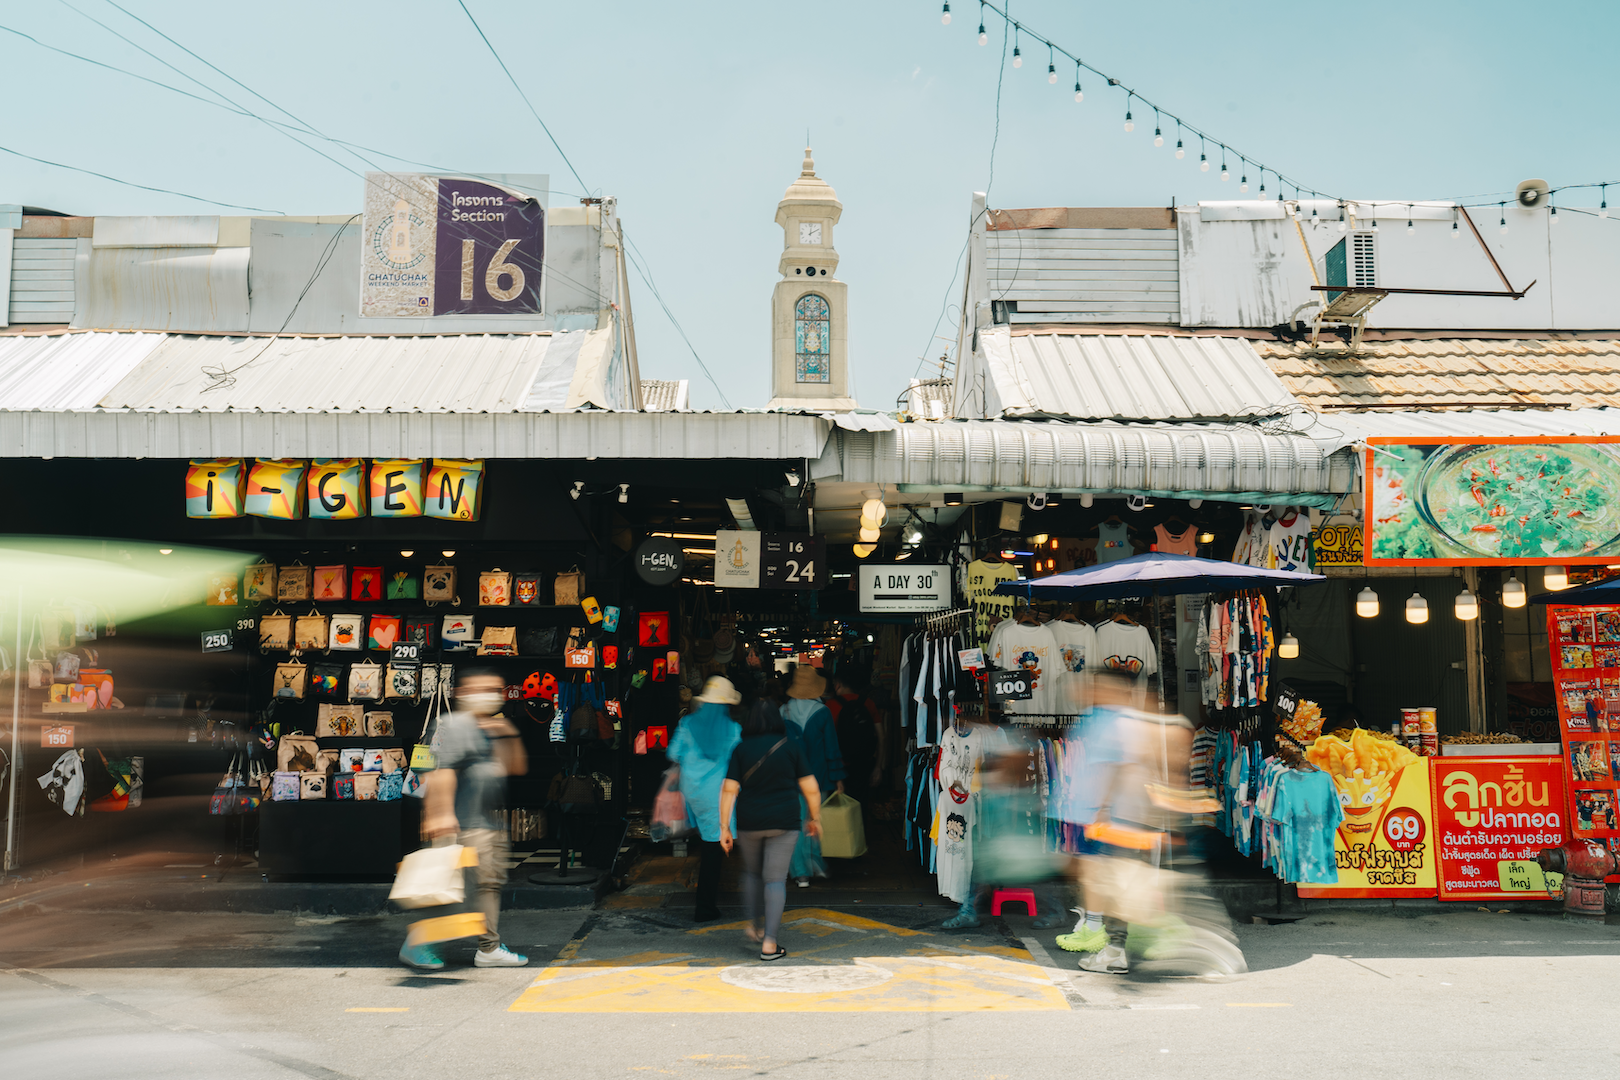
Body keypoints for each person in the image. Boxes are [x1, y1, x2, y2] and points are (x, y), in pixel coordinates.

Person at [399, 668, 529, 971]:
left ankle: (489, 948)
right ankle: (418, 943)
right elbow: (440, 772)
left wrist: (507, 733)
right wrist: (440, 815)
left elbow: (516, 767)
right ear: (463, 693)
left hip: (485, 824)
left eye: (496, 689)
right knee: (453, 890)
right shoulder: (451, 725)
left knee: (486, 886)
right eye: (482, 688)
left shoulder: (488, 727)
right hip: (460, 824)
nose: (491, 695)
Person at [719, 698, 823, 961]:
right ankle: (769, 943)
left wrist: (724, 828)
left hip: (750, 821)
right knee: (775, 879)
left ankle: (753, 927)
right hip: (784, 821)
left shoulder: (741, 750)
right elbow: (810, 788)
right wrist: (815, 817)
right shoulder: (792, 747)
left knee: (753, 875)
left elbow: (729, 790)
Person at [667, 676, 743, 922]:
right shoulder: (733, 729)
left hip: (693, 792)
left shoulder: (687, 723)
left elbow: (673, 753)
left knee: (708, 843)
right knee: (714, 849)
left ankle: (708, 901)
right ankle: (705, 907)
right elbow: (740, 760)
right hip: (719, 794)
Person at [781, 665, 844, 886]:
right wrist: (838, 777)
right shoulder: (822, 712)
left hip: (790, 778)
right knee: (816, 820)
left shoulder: (783, 711)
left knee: (796, 823)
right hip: (818, 776)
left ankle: (800, 873)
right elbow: (831, 748)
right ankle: (815, 863)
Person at [826, 671, 884, 812]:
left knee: (838, 808)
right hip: (864, 764)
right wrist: (878, 767)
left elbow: (827, 740)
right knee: (860, 805)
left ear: (837, 685)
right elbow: (882, 736)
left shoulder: (830, 705)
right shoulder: (868, 703)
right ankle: (860, 832)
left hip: (839, 766)